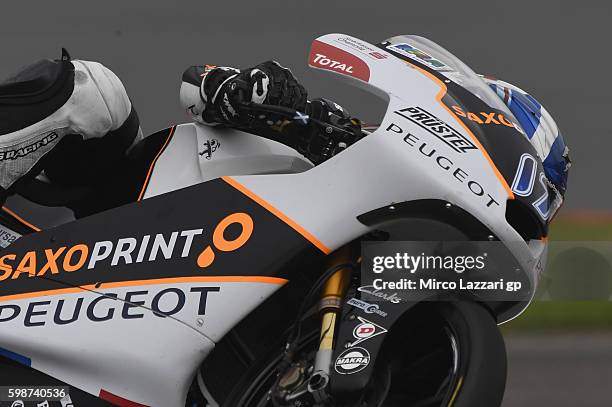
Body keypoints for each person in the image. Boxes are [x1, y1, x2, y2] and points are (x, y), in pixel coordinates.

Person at [0, 50, 569, 226]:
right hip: (120, 212)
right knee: (93, 92)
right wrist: (253, 93)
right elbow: (198, 83)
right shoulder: (347, 135)